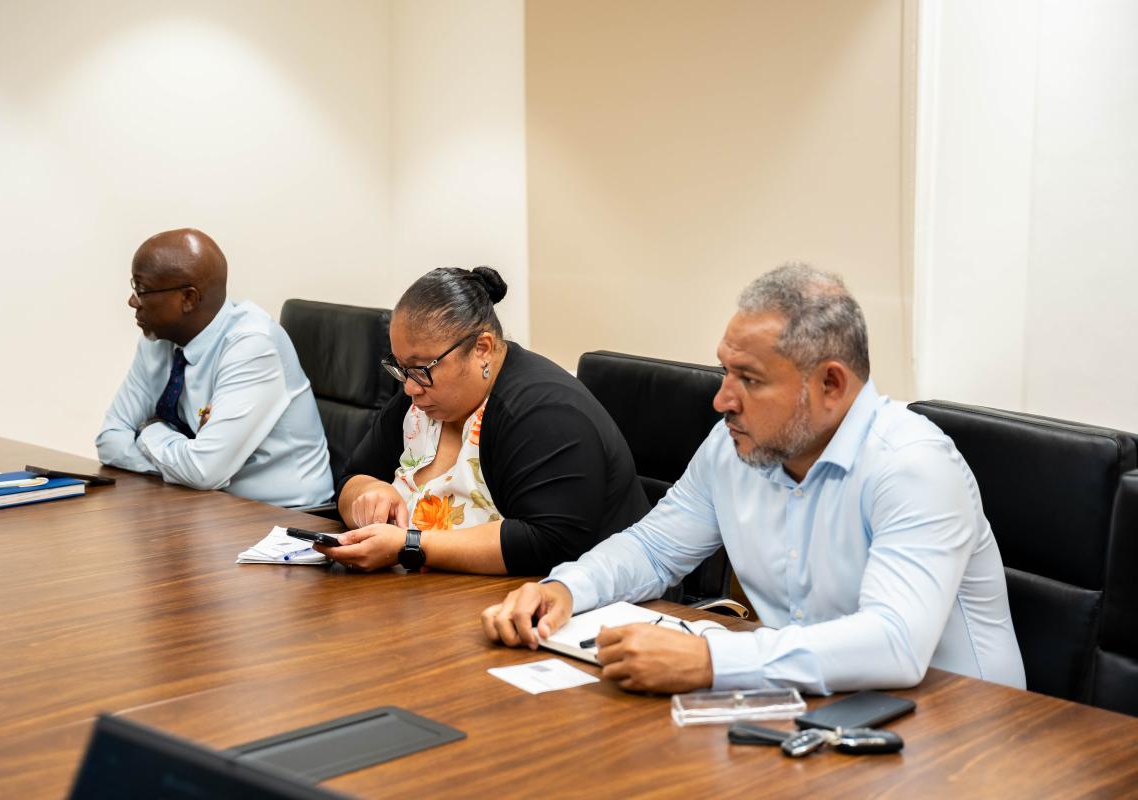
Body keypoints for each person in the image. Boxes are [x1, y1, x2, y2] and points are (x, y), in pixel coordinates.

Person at [481, 263, 1026, 695]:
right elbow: (652, 551)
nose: (722, 399)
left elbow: (894, 643)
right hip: (820, 706)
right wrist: (564, 588)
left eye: (749, 378)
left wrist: (711, 660)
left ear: (830, 384)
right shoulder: (736, 445)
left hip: (959, 734)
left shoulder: (913, 466)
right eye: (725, 370)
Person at [313, 266, 649, 575]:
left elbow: (548, 543)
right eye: (400, 367)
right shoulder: (421, 400)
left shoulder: (543, 414)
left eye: (422, 368)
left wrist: (410, 546)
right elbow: (352, 478)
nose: (410, 386)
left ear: (482, 349)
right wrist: (370, 493)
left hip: (576, 608)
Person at [96, 228, 333, 508]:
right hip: (203, 503)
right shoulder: (157, 339)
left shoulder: (252, 345)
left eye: (142, 290)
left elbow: (203, 470)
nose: (132, 301)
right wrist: (181, 467)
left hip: (286, 518)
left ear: (188, 298)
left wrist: (149, 428)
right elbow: (109, 440)